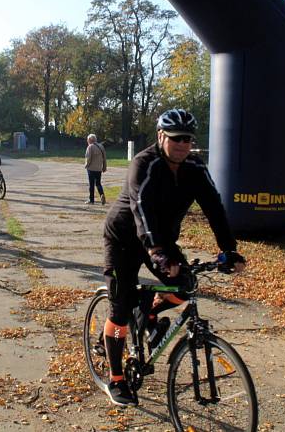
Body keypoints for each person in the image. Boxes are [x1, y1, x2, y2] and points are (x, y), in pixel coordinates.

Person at [100, 108, 246, 406]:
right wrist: (156, 251)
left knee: (185, 285)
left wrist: (228, 248)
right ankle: (116, 379)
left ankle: (149, 313)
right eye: (176, 138)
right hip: (125, 239)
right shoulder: (144, 163)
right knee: (121, 306)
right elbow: (141, 209)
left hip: (162, 240)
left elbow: (214, 207)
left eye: (188, 139)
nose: (183, 144)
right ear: (161, 136)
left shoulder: (194, 165)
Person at [85, 133, 107, 205]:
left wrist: (86, 165)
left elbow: (88, 158)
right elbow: (104, 158)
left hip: (91, 169)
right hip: (98, 169)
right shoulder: (101, 146)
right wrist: (104, 167)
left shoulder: (90, 147)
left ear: (90, 140)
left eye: (88, 140)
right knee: (98, 183)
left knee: (91, 185)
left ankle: (91, 200)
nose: (87, 141)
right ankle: (101, 194)